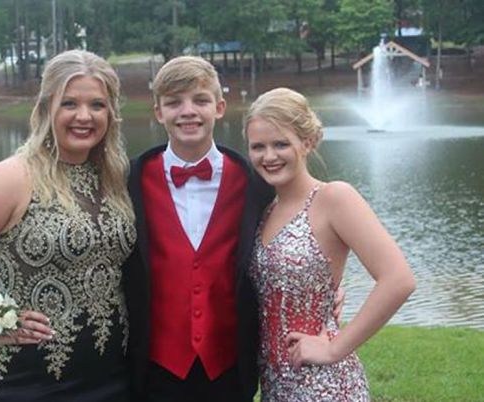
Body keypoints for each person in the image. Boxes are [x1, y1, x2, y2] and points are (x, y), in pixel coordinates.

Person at [0, 49, 136, 401]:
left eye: (97, 105)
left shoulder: (113, 178)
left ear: (111, 112)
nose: (84, 116)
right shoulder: (13, 177)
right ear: (46, 107)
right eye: (69, 103)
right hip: (32, 379)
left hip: (113, 373)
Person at [123, 57, 341, 402]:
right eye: (174, 102)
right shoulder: (128, 180)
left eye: (200, 100)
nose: (188, 111)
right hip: (153, 368)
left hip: (230, 369)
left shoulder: (257, 181)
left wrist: (331, 288)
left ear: (220, 107)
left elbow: (305, 231)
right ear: (159, 112)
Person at [243, 87, 416, 401]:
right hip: (275, 385)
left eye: (281, 144)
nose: (268, 156)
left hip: (325, 385)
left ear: (307, 142)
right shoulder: (265, 209)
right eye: (258, 147)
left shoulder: (334, 197)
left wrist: (335, 348)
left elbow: (398, 279)